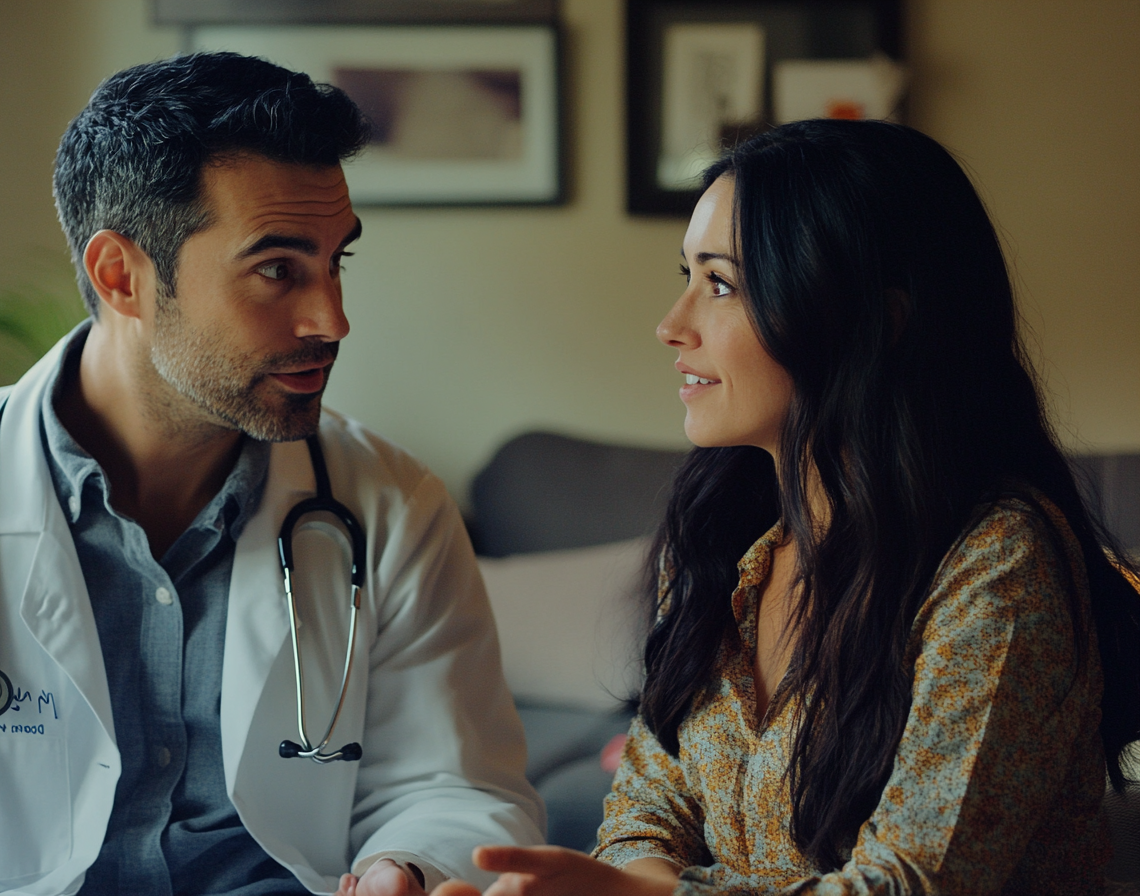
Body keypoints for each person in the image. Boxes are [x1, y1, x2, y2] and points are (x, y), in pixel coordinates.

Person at [0, 52, 544, 896]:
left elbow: (455, 784)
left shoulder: (392, 504)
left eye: (338, 261)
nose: (332, 318)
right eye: (277, 269)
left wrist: (404, 867)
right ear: (122, 275)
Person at [426, 120, 1140, 895]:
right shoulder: (716, 538)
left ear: (876, 322)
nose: (672, 325)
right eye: (687, 275)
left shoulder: (999, 562)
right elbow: (646, 809)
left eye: (722, 284)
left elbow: (912, 884)